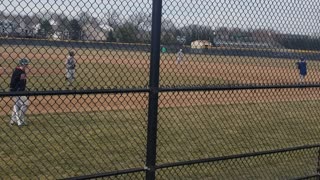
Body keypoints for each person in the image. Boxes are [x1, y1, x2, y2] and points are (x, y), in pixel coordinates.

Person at [9, 58, 30, 126]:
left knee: (17, 105)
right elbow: (13, 82)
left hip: (21, 91)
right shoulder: (18, 71)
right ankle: (20, 118)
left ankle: (13, 120)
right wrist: (12, 90)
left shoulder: (22, 71)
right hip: (17, 91)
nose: (27, 65)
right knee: (26, 104)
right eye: (26, 64)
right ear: (23, 64)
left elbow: (22, 81)